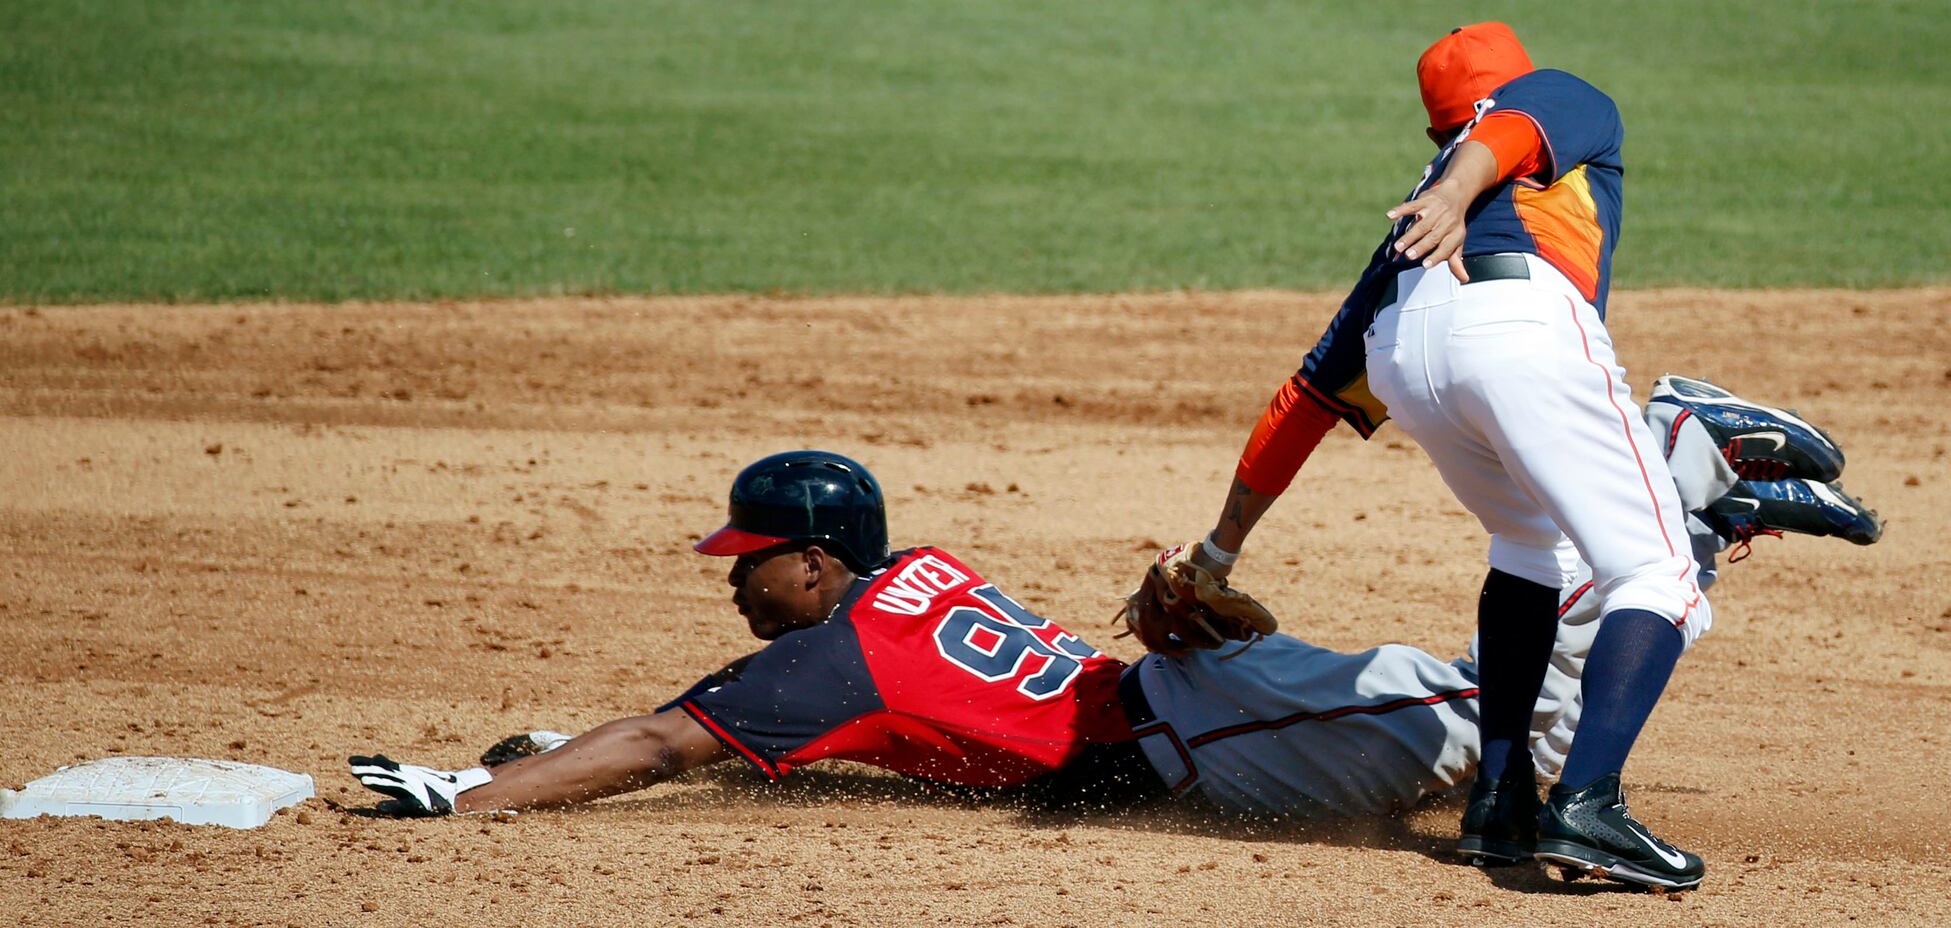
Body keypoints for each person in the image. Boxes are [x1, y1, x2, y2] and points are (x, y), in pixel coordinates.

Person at [351, 406, 1876, 848]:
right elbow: (728, 720)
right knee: (1502, 713)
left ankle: (1678, 472)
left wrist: (472, 797)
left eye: (753, 561)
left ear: (816, 565)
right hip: (1187, 700)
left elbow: (658, 740)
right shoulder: (912, 579)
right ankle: (1701, 512)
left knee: (1519, 726)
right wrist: (542, 751)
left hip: (1205, 733)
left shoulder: (830, 654)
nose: (734, 579)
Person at [1148, 22, 1874, 890]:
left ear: (1432, 129)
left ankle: (1500, 801)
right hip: (1515, 326)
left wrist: (1217, 553)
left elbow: (1304, 399)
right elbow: (1513, 128)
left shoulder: (1408, 230)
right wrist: (1459, 192)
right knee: (1656, 573)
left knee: (1530, 549)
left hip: (1407, 353)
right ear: (1500, 94)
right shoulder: (1552, 99)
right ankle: (1589, 806)